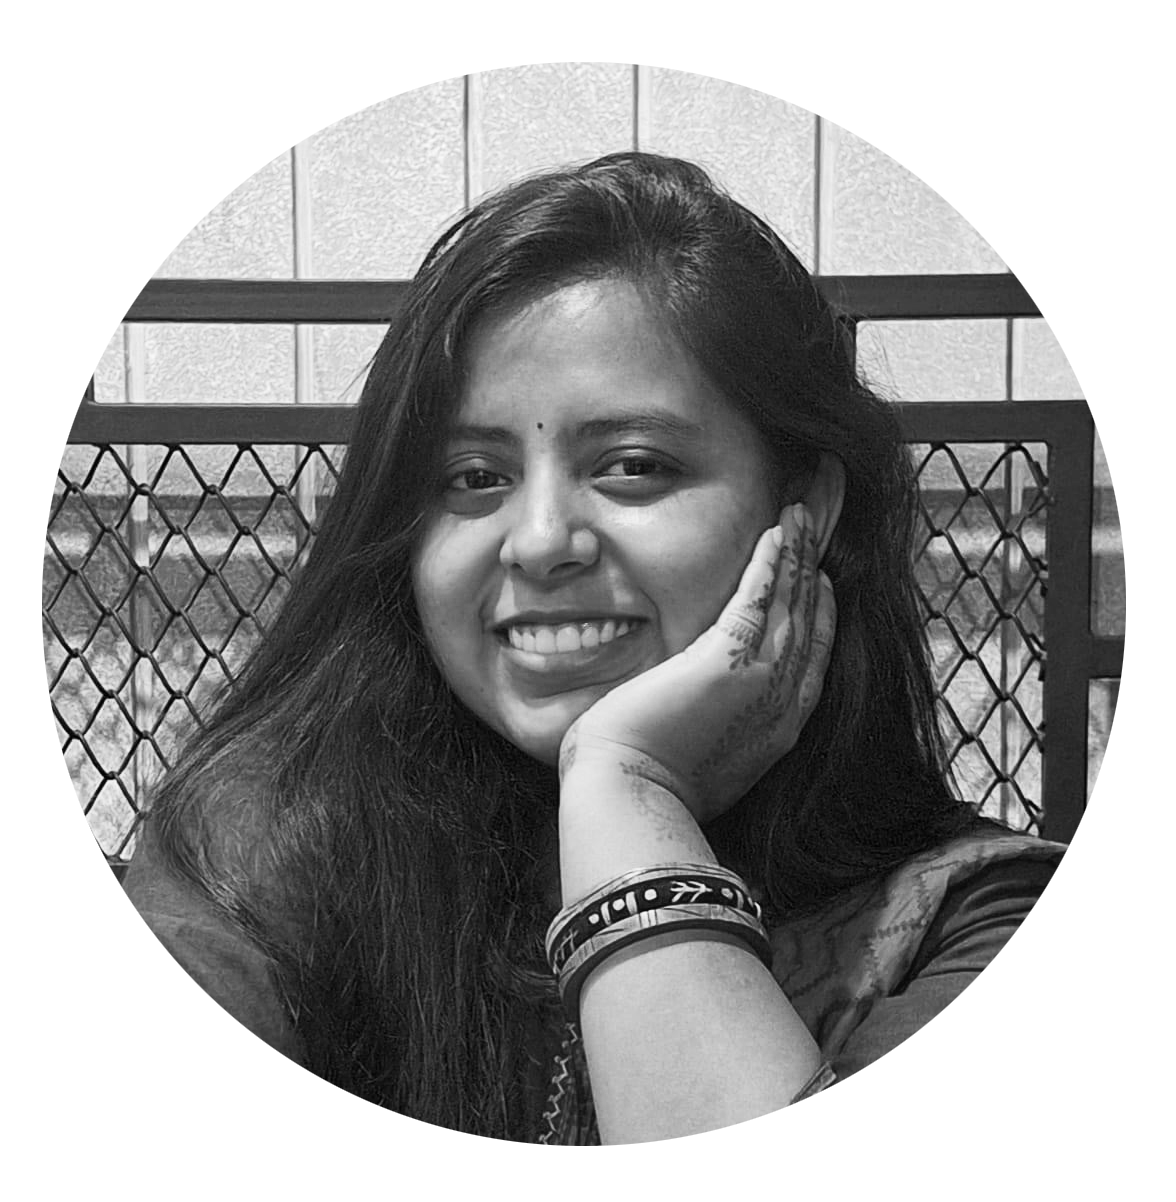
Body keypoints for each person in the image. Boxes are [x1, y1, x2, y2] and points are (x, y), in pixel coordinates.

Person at [123, 151, 1066, 1145]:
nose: (538, 542)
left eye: (633, 465)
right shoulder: (262, 851)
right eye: (474, 477)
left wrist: (628, 788)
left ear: (806, 506)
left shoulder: (985, 930)